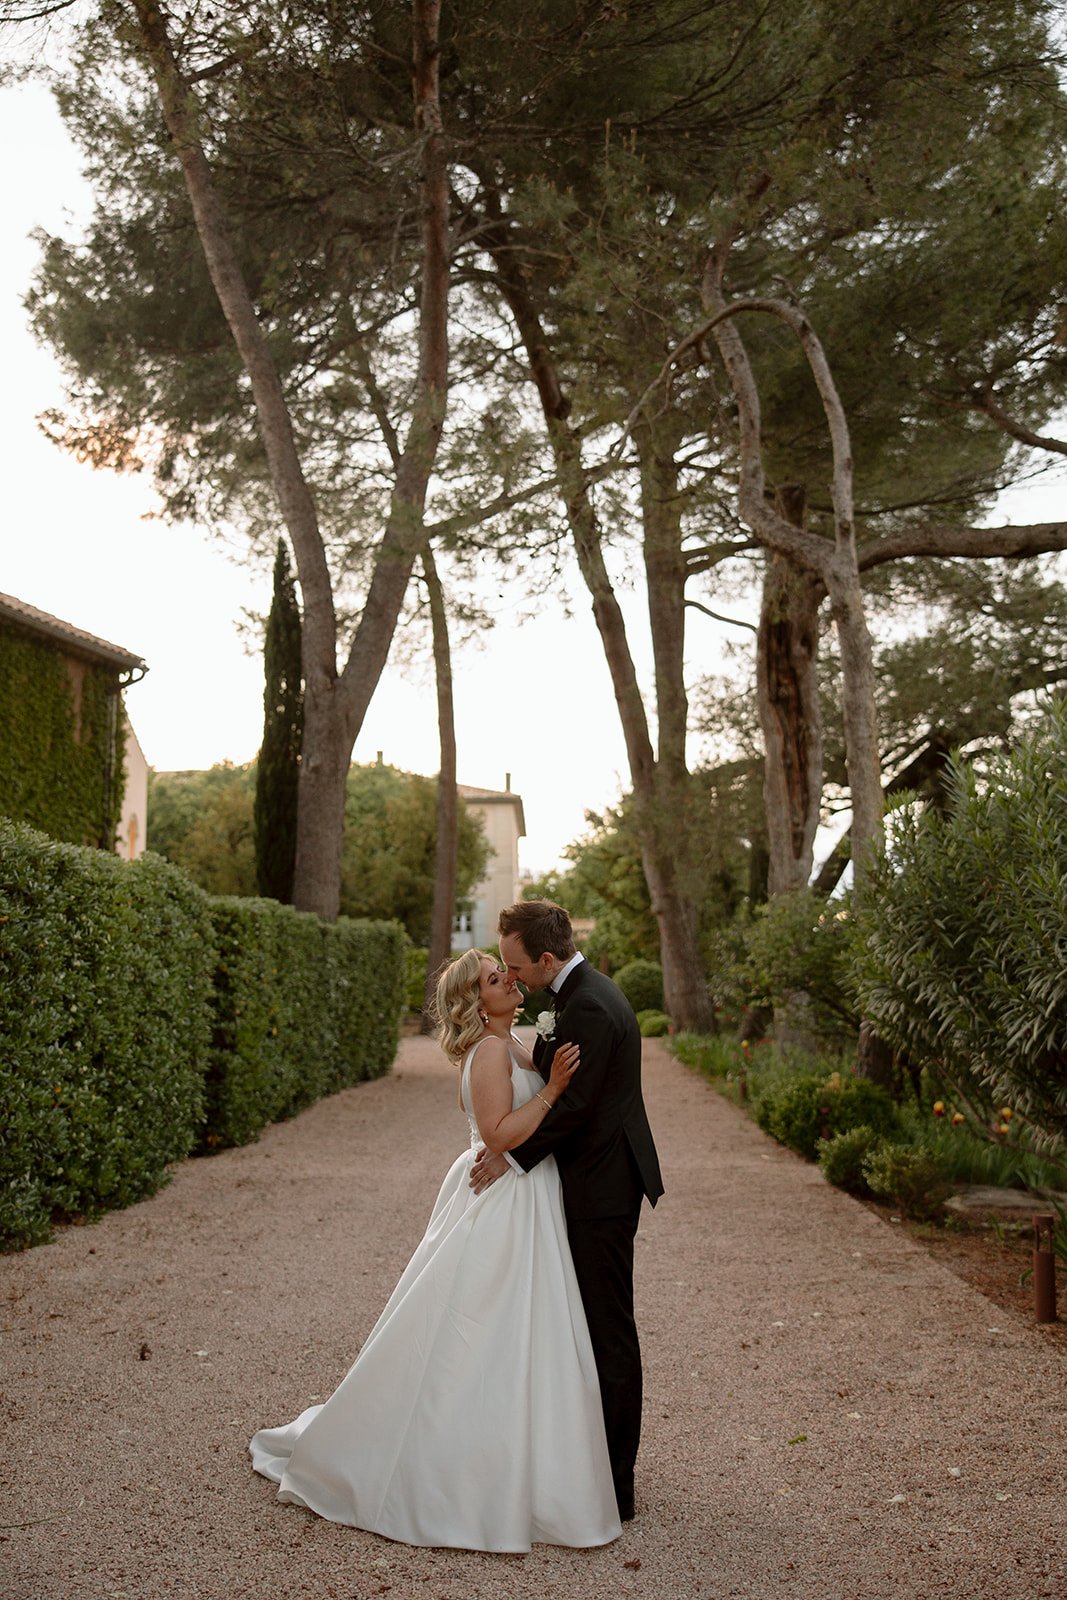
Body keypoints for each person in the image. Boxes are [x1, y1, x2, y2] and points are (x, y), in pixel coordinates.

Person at [249, 947, 622, 1553]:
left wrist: (545, 1069)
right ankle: (459, 1470)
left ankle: (514, 1459)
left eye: (505, 972)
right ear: (478, 1003)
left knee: (521, 1330)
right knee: (486, 1327)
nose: (508, 980)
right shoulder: (493, 1051)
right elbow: (499, 1135)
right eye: (495, 979)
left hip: (526, 1194)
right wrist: (553, 1090)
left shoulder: (513, 1043)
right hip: (504, 1196)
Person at [471, 900, 664, 1523]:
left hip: (603, 1190)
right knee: (583, 1328)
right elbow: (549, 1077)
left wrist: (511, 1159)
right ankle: (585, 1467)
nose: (514, 977)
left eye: (517, 965)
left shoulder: (587, 1005)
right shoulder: (580, 992)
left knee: (609, 1333)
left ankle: (617, 1485)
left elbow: (574, 1107)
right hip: (593, 1179)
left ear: (547, 959)